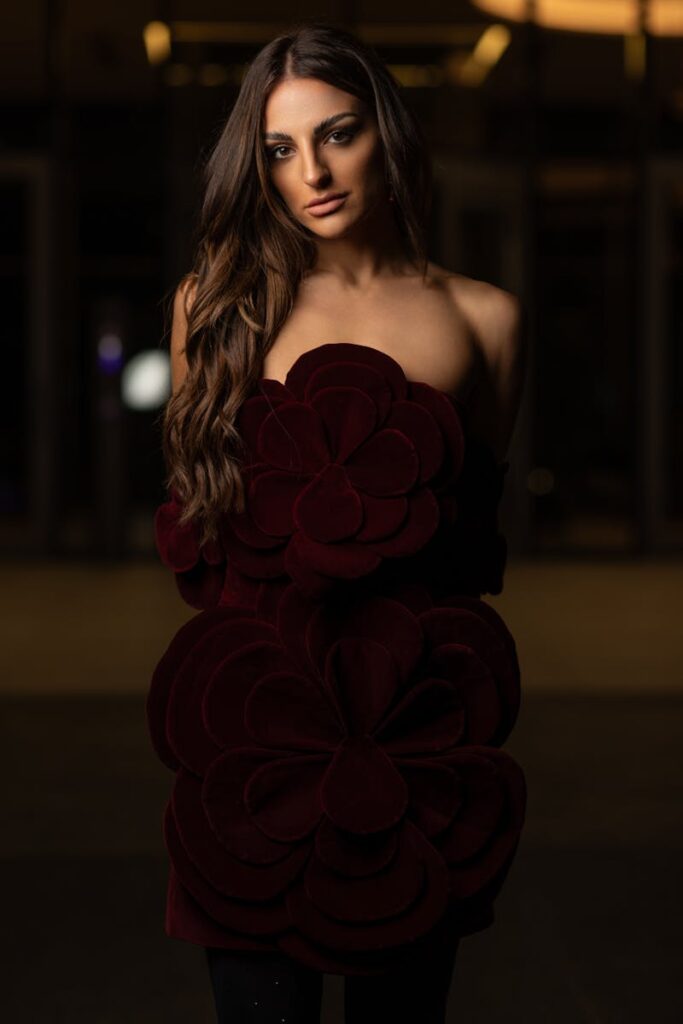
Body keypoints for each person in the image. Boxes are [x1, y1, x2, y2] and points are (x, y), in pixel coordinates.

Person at [147, 18, 528, 1024]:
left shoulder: (483, 318)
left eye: (338, 132)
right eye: (278, 148)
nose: (310, 170)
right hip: (257, 736)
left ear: (386, 134)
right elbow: (200, 526)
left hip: (407, 738)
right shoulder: (214, 308)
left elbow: (464, 546)